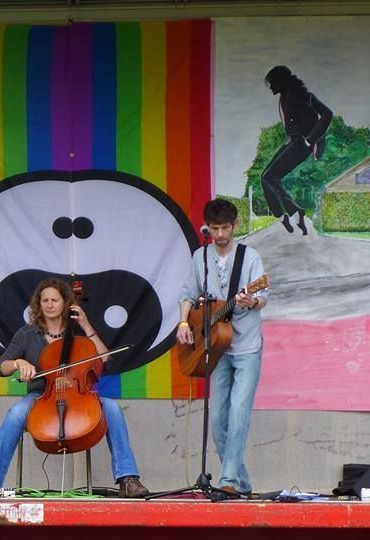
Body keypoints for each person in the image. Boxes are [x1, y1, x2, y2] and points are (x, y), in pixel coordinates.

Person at [0, 279, 150, 498]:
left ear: (66, 303)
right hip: (41, 395)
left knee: (112, 409)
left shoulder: (79, 336)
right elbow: (1, 367)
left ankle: (128, 479)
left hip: (79, 394)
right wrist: (18, 363)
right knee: (16, 413)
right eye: (44, 300)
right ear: (38, 304)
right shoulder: (27, 334)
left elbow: (105, 359)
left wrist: (86, 324)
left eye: (55, 300)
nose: (49, 304)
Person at [176, 198, 268, 496]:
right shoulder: (200, 256)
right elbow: (188, 293)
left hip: (246, 344)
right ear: (207, 227)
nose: (219, 234)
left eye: (225, 228)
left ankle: (228, 480)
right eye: (214, 228)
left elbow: (263, 295)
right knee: (217, 419)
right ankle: (242, 483)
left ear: (235, 226)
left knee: (239, 412)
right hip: (215, 346)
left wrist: (250, 301)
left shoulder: (249, 256)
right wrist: (183, 323)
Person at [261, 65, 332, 236]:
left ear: (281, 80)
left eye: (272, 83)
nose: (270, 87)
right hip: (293, 142)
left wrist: (312, 140)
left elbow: (327, 114)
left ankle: (293, 211)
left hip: (301, 144)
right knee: (265, 177)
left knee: (270, 176)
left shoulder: (301, 94)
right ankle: (283, 216)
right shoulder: (286, 95)